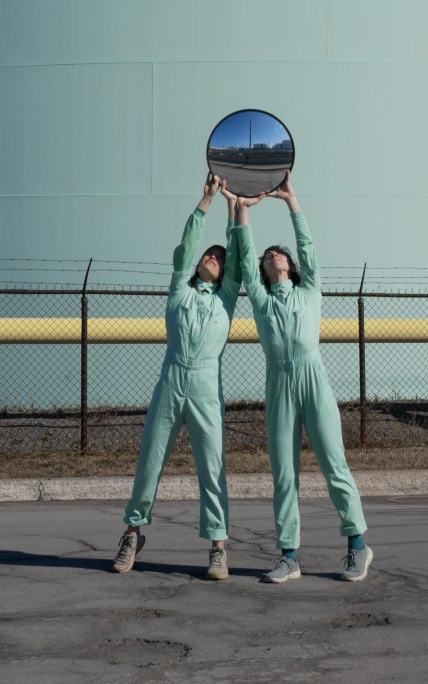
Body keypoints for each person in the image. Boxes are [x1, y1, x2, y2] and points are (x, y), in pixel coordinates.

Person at [234, 171, 372, 583]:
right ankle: (289, 556)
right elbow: (243, 259)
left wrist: (291, 201)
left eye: (280, 254)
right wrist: (242, 210)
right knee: (284, 473)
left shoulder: (309, 289)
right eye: (268, 255)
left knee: (333, 462)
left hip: (313, 377)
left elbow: (308, 249)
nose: (273, 255)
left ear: (291, 267)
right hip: (278, 383)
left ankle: (358, 547)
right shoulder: (260, 299)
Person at [112, 174, 240, 580]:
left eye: (219, 259)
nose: (211, 258)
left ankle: (218, 546)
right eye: (209, 254)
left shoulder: (226, 299)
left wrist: (235, 208)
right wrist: (206, 202)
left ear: (224, 275)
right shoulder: (180, 290)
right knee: (151, 458)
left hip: (205, 386)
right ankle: (132, 532)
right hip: (171, 379)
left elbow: (238, 258)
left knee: (211, 466)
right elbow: (186, 249)